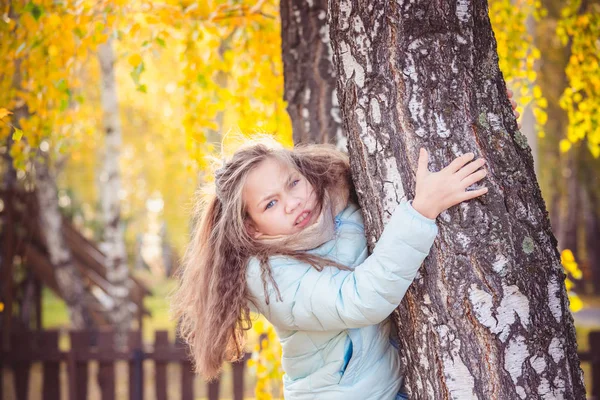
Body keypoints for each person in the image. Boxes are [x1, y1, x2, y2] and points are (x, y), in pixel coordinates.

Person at [171, 95, 520, 399]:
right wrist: (421, 212)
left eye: (293, 183)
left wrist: (480, 122)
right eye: (270, 204)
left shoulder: (338, 201)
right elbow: (359, 300)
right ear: (251, 228)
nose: (292, 202)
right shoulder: (269, 278)